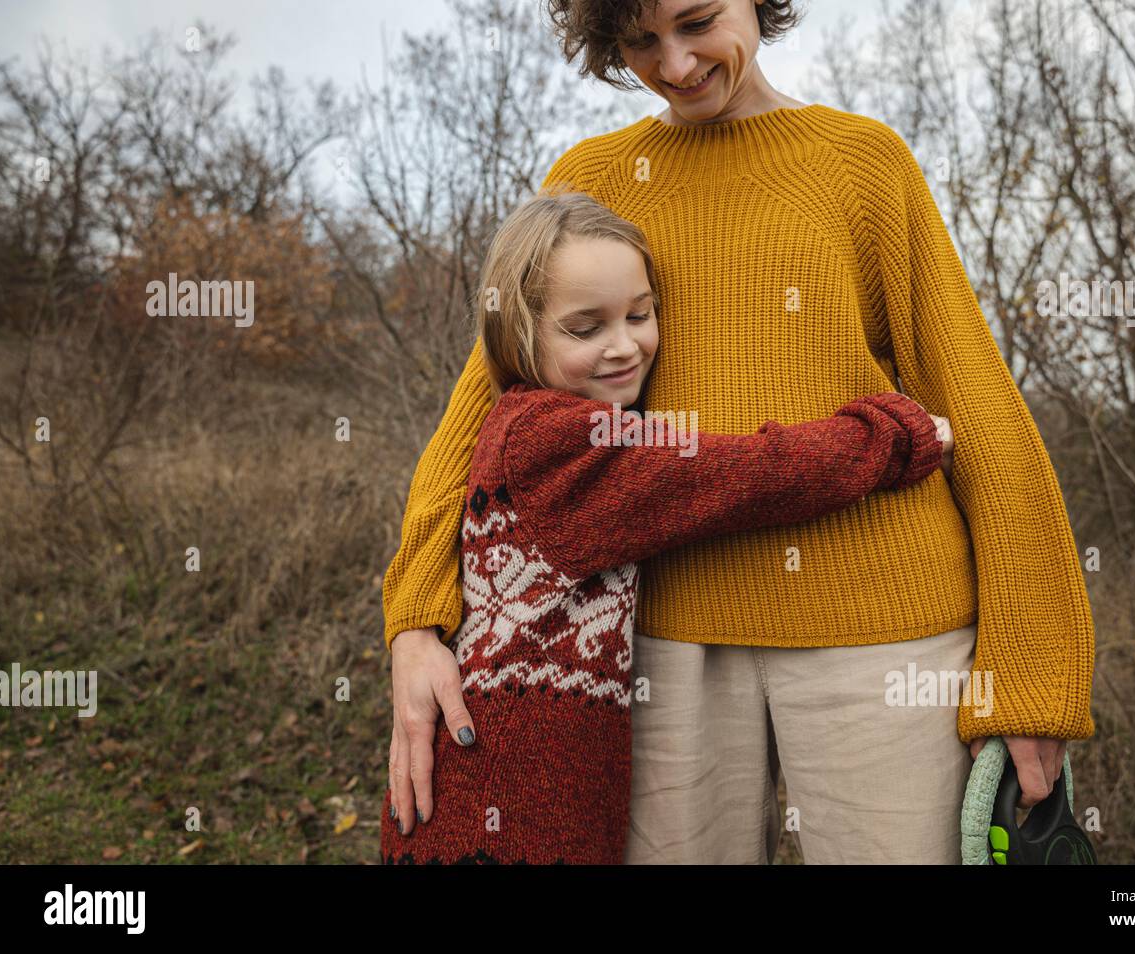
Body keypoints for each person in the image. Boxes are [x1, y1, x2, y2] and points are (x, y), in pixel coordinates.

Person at [382, 0, 1095, 864]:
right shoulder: (593, 178)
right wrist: (417, 621)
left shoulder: (863, 163)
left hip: (886, 627)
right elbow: (481, 415)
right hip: (660, 642)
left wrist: (1031, 674)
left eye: (697, 21)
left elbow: (978, 407)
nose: (676, 64)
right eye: (641, 41)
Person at [379, 189, 949, 863]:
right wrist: (891, 438)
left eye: (641, 315)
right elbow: (745, 477)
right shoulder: (560, 445)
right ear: (520, 333)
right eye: (585, 329)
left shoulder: (526, 426)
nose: (624, 346)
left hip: (519, 794)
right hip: (506, 814)